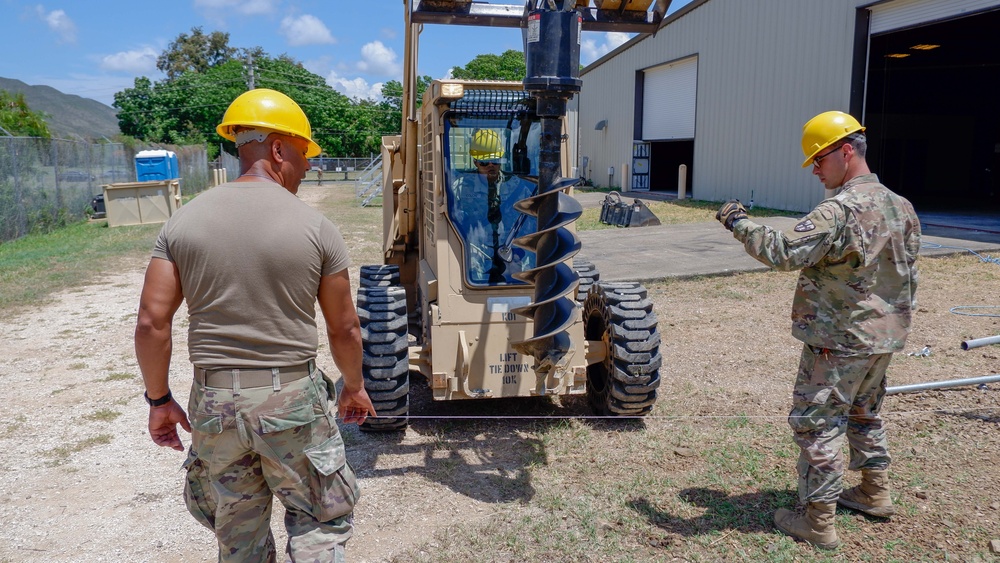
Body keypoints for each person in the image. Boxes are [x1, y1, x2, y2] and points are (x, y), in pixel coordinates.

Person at [134, 88, 377, 562]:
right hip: (292, 402)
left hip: (215, 405)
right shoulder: (316, 227)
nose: (308, 167)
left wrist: (159, 400)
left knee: (237, 533)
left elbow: (151, 322)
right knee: (320, 520)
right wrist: (354, 386)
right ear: (279, 149)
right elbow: (344, 327)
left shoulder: (181, 223)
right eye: (304, 154)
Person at [716, 111, 920, 550]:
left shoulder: (840, 209)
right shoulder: (902, 205)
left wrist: (738, 221)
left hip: (839, 338)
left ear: (846, 152)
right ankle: (873, 491)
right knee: (865, 412)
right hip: (884, 337)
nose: (814, 169)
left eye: (819, 158)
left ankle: (818, 520)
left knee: (818, 422)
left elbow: (785, 252)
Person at [449, 128, 537, 285]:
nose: (491, 166)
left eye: (495, 161)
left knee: (522, 283)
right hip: (476, 251)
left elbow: (529, 225)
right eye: (484, 162)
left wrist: (519, 253)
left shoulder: (517, 186)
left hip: (511, 250)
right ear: (475, 161)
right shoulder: (461, 188)